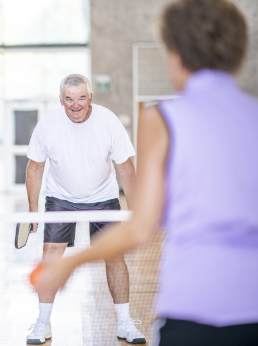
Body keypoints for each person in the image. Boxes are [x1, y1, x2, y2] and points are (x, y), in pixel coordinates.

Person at [34, 0, 258, 345]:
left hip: (192, 304)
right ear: (239, 51)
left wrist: (71, 264)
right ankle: (44, 322)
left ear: (175, 54)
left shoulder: (162, 118)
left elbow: (142, 225)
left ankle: (124, 320)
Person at [25, 73, 146, 344]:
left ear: (90, 98)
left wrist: (138, 211)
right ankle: (43, 323)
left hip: (103, 197)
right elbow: (35, 168)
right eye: (69, 99)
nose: (75, 104)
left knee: (115, 256)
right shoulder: (48, 126)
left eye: (81, 98)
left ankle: (125, 323)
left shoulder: (108, 122)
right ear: (61, 100)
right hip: (61, 198)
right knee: (51, 252)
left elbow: (125, 168)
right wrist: (33, 211)